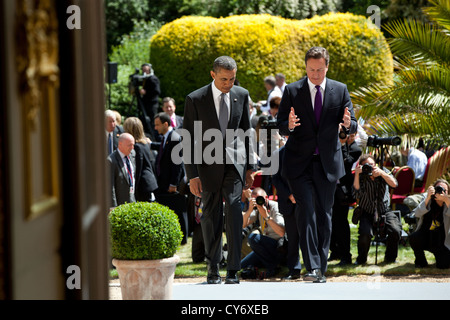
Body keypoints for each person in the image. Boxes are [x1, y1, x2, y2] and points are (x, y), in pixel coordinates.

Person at [276, 46, 358, 283]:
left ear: (327, 67)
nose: (315, 74)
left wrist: (347, 124)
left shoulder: (340, 90)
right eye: (311, 69)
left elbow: (351, 122)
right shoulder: (292, 90)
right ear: (305, 67)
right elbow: (281, 123)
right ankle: (311, 266)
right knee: (307, 212)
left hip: (327, 163)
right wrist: (288, 125)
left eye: (319, 70)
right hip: (298, 165)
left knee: (324, 214)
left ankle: (320, 268)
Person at [183, 56, 256, 284]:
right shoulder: (195, 99)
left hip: (235, 165)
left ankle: (233, 269)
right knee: (211, 217)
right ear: (213, 74)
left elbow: (246, 131)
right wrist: (192, 174)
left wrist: (251, 166)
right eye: (224, 79)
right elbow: (188, 139)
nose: (228, 83)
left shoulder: (241, 95)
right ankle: (213, 266)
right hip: (206, 167)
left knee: (234, 210)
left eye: (232, 79)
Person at [353, 154, 402, 265]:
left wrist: (382, 173)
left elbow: (394, 184)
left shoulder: (382, 170)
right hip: (367, 210)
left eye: (372, 164)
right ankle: (361, 259)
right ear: (361, 166)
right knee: (365, 233)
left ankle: (390, 258)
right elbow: (356, 193)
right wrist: (357, 174)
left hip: (384, 209)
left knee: (395, 230)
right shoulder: (361, 175)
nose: (370, 167)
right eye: (367, 165)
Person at [329, 130, 361, 265]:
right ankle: (334, 251)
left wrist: (342, 145)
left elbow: (346, 162)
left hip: (342, 191)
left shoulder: (355, 149)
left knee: (341, 223)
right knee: (329, 221)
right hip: (329, 188)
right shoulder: (332, 144)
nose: (347, 137)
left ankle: (345, 255)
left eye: (351, 135)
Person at [271, 140, 302, 279]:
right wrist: (290, 195)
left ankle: (313, 268)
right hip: (288, 202)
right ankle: (294, 270)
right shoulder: (278, 154)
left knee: (308, 235)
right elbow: (275, 179)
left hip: (304, 201)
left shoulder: (305, 150)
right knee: (292, 238)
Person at [240, 187, 285, 278]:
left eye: (260, 198)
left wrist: (266, 216)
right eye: (255, 200)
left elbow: (281, 232)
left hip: (279, 246)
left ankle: (272, 268)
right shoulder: (257, 208)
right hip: (266, 248)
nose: (258, 201)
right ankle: (268, 263)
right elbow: (243, 225)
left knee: (253, 238)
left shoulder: (275, 206)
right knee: (241, 265)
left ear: (266, 198)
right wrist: (249, 210)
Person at [409, 179, 450, 269]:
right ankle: (421, 261)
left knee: (444, 265)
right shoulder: (428, 198)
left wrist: (446, 201)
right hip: (426, 236)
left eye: (444, 190)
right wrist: (428, 197)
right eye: (438, 188)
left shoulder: (448, 201)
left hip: (442, 241)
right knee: (414, 237)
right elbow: (417, 213)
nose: (441, 191)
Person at [123, 117, 158, 202]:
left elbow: (138, 168)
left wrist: (133, 188)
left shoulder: (137, 147)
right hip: (149, 183)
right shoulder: (144, 144)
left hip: (143, 186)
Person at [107, 133, 136, 207]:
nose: (132, 148)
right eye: (129, 145)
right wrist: (113, 207)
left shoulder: (132, 154)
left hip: (132, 201)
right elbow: (111, 187)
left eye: (133, 145)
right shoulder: (111, 161)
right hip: (120, 204)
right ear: (120, 144)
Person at [139, 63, 161, 137]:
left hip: (152, 104)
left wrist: (146, 92)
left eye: (146, 70)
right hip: (146, 104)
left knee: (152, 121)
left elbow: (157, 91)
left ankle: (153, 136)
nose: (145, 72)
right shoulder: (145, 79)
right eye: (143, 70)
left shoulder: (153, 79)